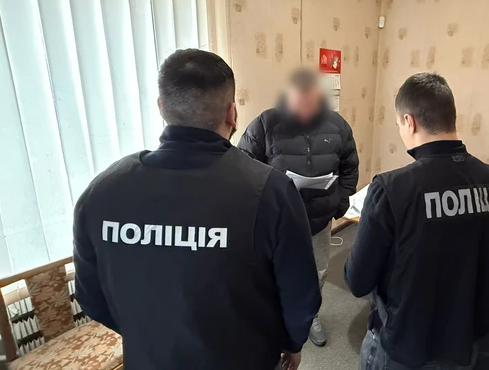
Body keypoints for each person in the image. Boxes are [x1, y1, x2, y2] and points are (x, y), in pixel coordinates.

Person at [73, 49, 321, 370]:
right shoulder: (270, 190)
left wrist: (150, 336)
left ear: (162, 108)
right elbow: (301, 293)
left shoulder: (101, 192)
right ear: (232, 113)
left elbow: (91, 297)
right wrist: (291, 342)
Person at [345, 72, 489, 370]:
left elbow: (358, 281)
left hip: (405, 346)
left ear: (409, 121)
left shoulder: (392, 188)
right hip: (467, 343)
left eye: (399, 124)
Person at [238, 68, 359, 346]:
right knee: (273, 271)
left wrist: (341, 202)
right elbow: (243, 166)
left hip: (319, 217)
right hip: (277, 220)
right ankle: (275, 317)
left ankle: (309, 316)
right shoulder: (265, 124)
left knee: (317, 271)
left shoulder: (337, 125)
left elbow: (350, 166)